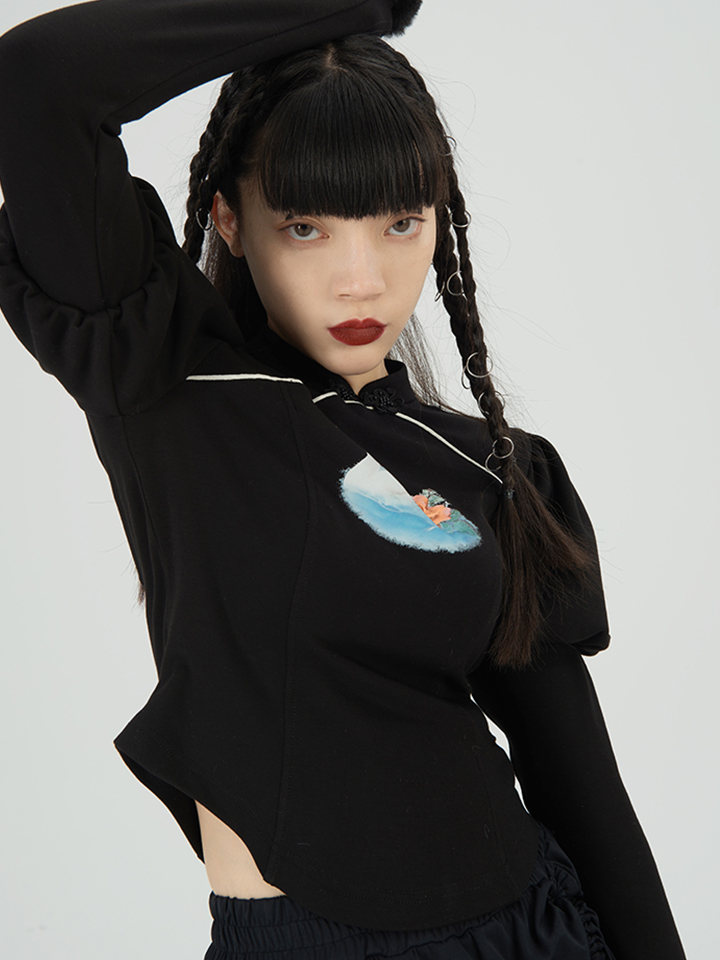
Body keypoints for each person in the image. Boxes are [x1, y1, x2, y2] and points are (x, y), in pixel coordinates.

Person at [0, 2, 687, 959]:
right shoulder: (168, 384)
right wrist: (344, 6)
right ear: (232, 219)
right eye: (307, 227)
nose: (362, 279)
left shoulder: (488, 464)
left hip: (531, 927)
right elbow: (37, 79)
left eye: (400, 222)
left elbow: (581, 786)